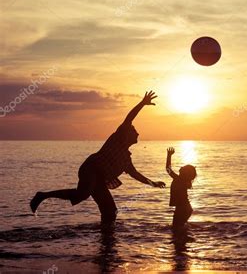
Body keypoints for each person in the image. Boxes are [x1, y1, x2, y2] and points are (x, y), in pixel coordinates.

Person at [29, 91, 166, 223]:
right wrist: (142, 103)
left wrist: (153, 183)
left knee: (110, 211)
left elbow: (136, 175)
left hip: (99, 179)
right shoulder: (118, 138)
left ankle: (106, 236)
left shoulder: (126, 159)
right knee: (82, 195)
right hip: (91, 168)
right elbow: (129, 118)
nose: (138, 133)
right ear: (127, 134)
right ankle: (43, 196)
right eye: (135, 131)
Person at [166, 147, 196, 229]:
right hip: (185, 208)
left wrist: (169, 155)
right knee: (180, 228)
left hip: (182, 208)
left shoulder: (179, 179)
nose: (181, 167)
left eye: (184, 167)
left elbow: (168, 169)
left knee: (176, 229)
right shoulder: (183, 181)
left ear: (184, 172)